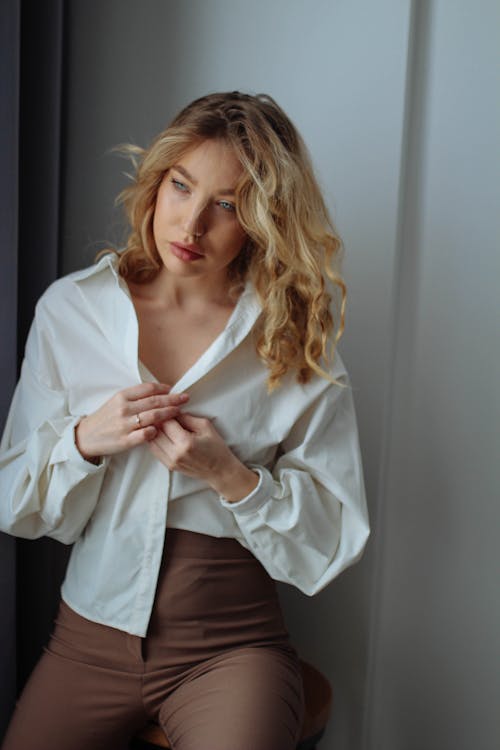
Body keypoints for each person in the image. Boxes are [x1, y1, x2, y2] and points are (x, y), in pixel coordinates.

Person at [0, 91, 369, 750]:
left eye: (226, 205)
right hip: (86, 640)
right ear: (155, 183)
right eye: (180, 186)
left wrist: (232, 476)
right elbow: (14, 501)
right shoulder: (70, 311)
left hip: (230, 652)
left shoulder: (292, 338)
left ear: (262, 219)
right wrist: (85, 442)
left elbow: (333, 536)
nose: (191, 225)